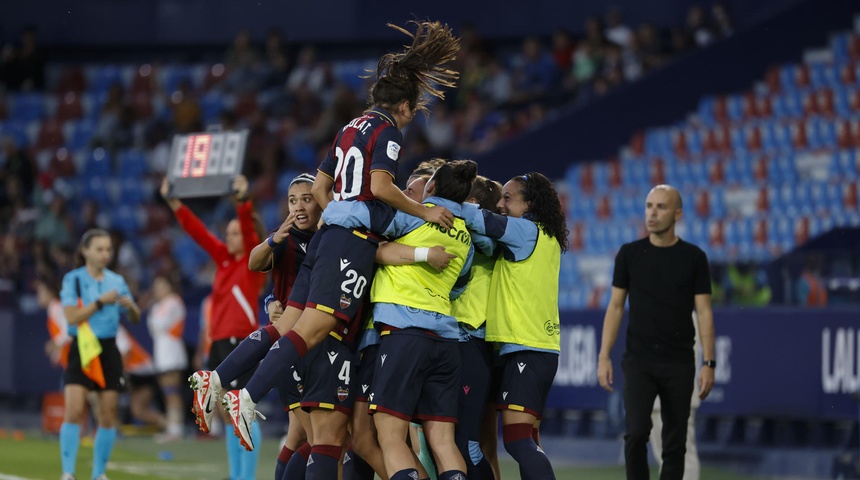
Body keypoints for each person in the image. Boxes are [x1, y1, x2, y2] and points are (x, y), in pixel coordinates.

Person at [190, 20, 460, 480]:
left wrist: (339, 214)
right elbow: (379, 184)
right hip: (349, 245)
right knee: (313, 330)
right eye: (414, 107)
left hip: (329, 235)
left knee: (290, 325)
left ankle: (216, 381)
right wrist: (422, 212)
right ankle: (246, 398)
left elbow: (319, 186)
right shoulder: (388, 133)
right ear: (402, 103)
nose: (414, 115)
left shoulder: (348, 127)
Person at [324, 159, 478, 480]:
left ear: (431, 188)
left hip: (404, 335)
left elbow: (343, 216)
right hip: (447, 340)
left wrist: (328, 198)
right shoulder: (465, 234)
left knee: (390, 437)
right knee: (443, 442)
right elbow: (461, 281)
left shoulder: (412, 216)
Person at [597, 184, 716, 480]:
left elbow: (704, 312)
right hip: (639, 361)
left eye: (661, 207)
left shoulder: (694, 257)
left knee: (674, 445)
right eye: (650, 205)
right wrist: (603, 357)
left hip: (679, 362)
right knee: (636, 434)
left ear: (677, 214)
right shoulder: (629, 254)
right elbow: (615, 307)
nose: (653, 212)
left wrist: (709, 363)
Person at [463, 172, 569, 480]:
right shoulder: (544, 236)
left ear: (530, 203)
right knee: (528, 439)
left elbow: (481, 219)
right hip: (537, 348)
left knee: (518, 440)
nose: (500, 203)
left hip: (528, 348)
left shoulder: (525, 231)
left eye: (508, 198)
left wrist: (445, 202)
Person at [161, 175, 266, 480]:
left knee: (242, 411)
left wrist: (242, 201)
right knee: (229, 414)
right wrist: (174, 203)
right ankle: (236, 476)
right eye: (229, 232)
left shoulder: (251, 261)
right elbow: (198, 233)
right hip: (220, 342)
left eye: (236, 233)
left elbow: (248, 230)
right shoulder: (222, 261)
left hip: (240, 342)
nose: (230, 236)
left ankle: (245, 477)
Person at [247, 173, 320, 480]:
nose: (299, 207)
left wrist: (272, 299)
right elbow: (254, 262)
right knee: (321, 438)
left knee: (300, 437)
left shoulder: (333, 235)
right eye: (293, 201)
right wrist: (272, 239)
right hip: (293, 346)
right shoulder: (284, 237)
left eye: (306, 199)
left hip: (322, 343)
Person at [58, 228, 141, 480]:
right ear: (85, 251)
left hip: (108, 348)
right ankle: (68, 473)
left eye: (108, 249)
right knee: (73, 410)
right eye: (99, 249)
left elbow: (135, 319)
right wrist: (101, 302)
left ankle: (98, 474)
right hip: (82, 346)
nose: (105, 254)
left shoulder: (116, 281)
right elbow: (71, 317)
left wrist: (132, 307)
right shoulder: (72, 279)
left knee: (107, 415)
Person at [451, 175, 503, 480]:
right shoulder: (475, 236)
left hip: (471, 338)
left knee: (468, 444)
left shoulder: (484, 240)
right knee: (458, 441)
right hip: (463, 340)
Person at [650, 313, 702, 480]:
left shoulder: (684, 315)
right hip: (655, 400)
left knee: (683, 458)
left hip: (675, 399)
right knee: (666, 460)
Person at [146, 274, 188, 443]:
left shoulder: (174, 302)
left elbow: (161, 325)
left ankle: (177, 428)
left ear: (169, 287)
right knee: (166, 392)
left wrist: (155, 318)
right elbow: (154, 329)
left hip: (173, 351)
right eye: (156, 286)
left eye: (161, 285)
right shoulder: (158, 306)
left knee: (172, 391)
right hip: (161, 352)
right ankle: (172, 427)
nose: (158, 289)